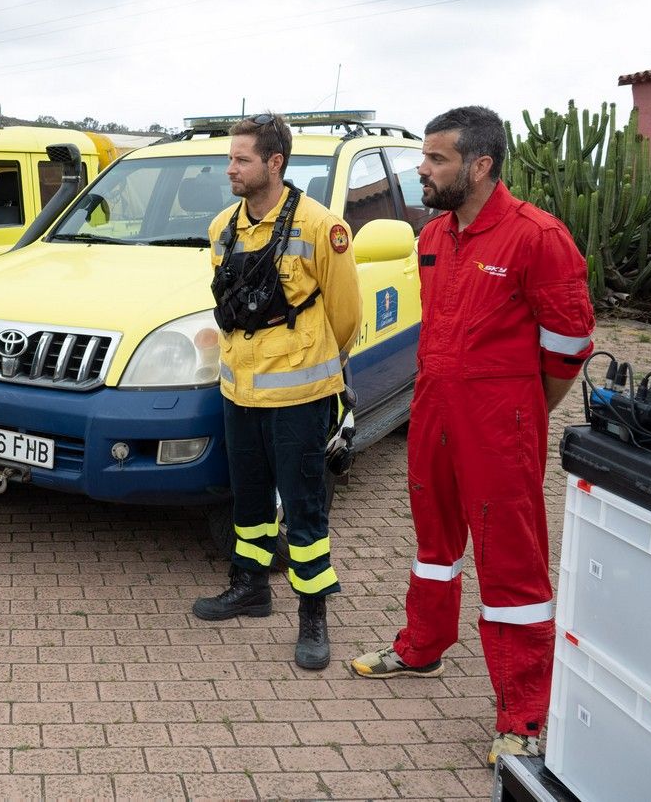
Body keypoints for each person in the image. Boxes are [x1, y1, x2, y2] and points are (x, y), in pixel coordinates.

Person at [350, 106, 595, 765]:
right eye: (424, 157)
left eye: (435, 159)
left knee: (511, 561)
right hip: (434, 410)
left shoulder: (537, 237)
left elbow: (569, 344)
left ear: (480, 165)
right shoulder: (432, 235)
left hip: (500, 421)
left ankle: (522, 712)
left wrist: (524, 409)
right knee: (434, 538)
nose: (421, 169)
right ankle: (422, 646)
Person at [193, 114, 360, 672]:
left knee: (305, 508)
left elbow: (345, 315)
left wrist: (314, 368)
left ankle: (313, 614)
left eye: (241, 160)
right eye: (231, 159)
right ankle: (250, 587)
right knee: (249, 498)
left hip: (300, 397)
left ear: (275, 163)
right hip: (239, 392)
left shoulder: (320, 226)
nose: (231, 169)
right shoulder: (223, 227)